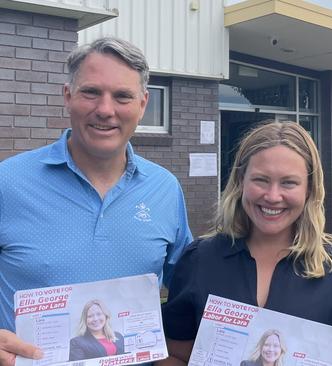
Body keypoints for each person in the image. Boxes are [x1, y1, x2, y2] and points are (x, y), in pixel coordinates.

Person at [0, 37, 193, 365]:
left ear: (143, 104)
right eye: (91, 92)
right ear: (68, 96)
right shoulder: (8, 182)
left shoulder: (165, 189)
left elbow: (189, 292)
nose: (105, 110)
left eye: (122, 96)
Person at [160, 121, 332, 366]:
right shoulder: (199, 261)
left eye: (289, 182)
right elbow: (176, 356)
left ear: (310, 189)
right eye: (261, 180)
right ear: (240, 181)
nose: (272, 196)